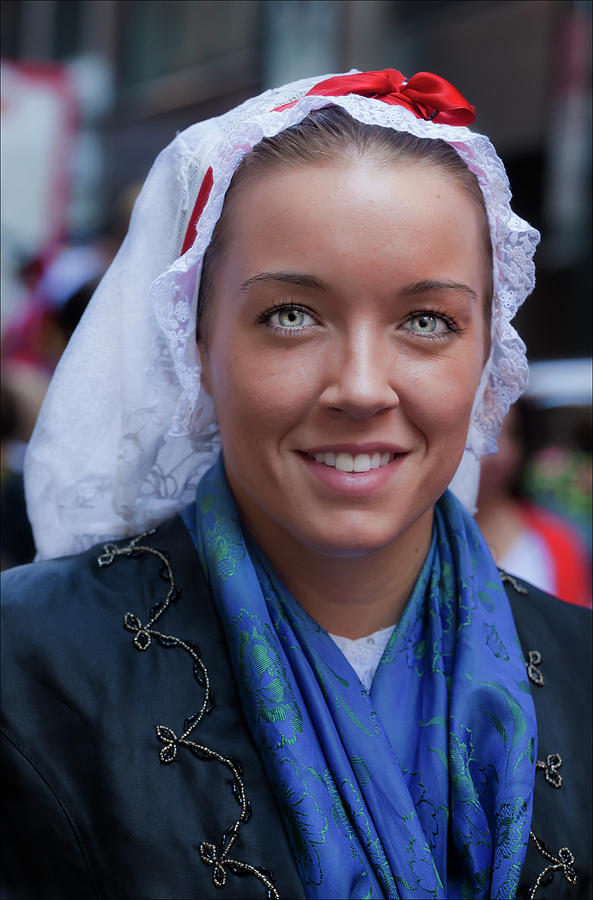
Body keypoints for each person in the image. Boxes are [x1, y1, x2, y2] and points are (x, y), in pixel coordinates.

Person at [1, 68, 591, 900]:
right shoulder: (27, 666)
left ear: (487, 355)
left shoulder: (581, 669)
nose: (359, 386)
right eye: (291, 315)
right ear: (196, 341)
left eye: (426, 322)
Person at [476, 399, 592, 608]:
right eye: (481, 430)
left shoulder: (556, 541)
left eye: (510, 433)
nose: (496, 452)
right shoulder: (418, 538)